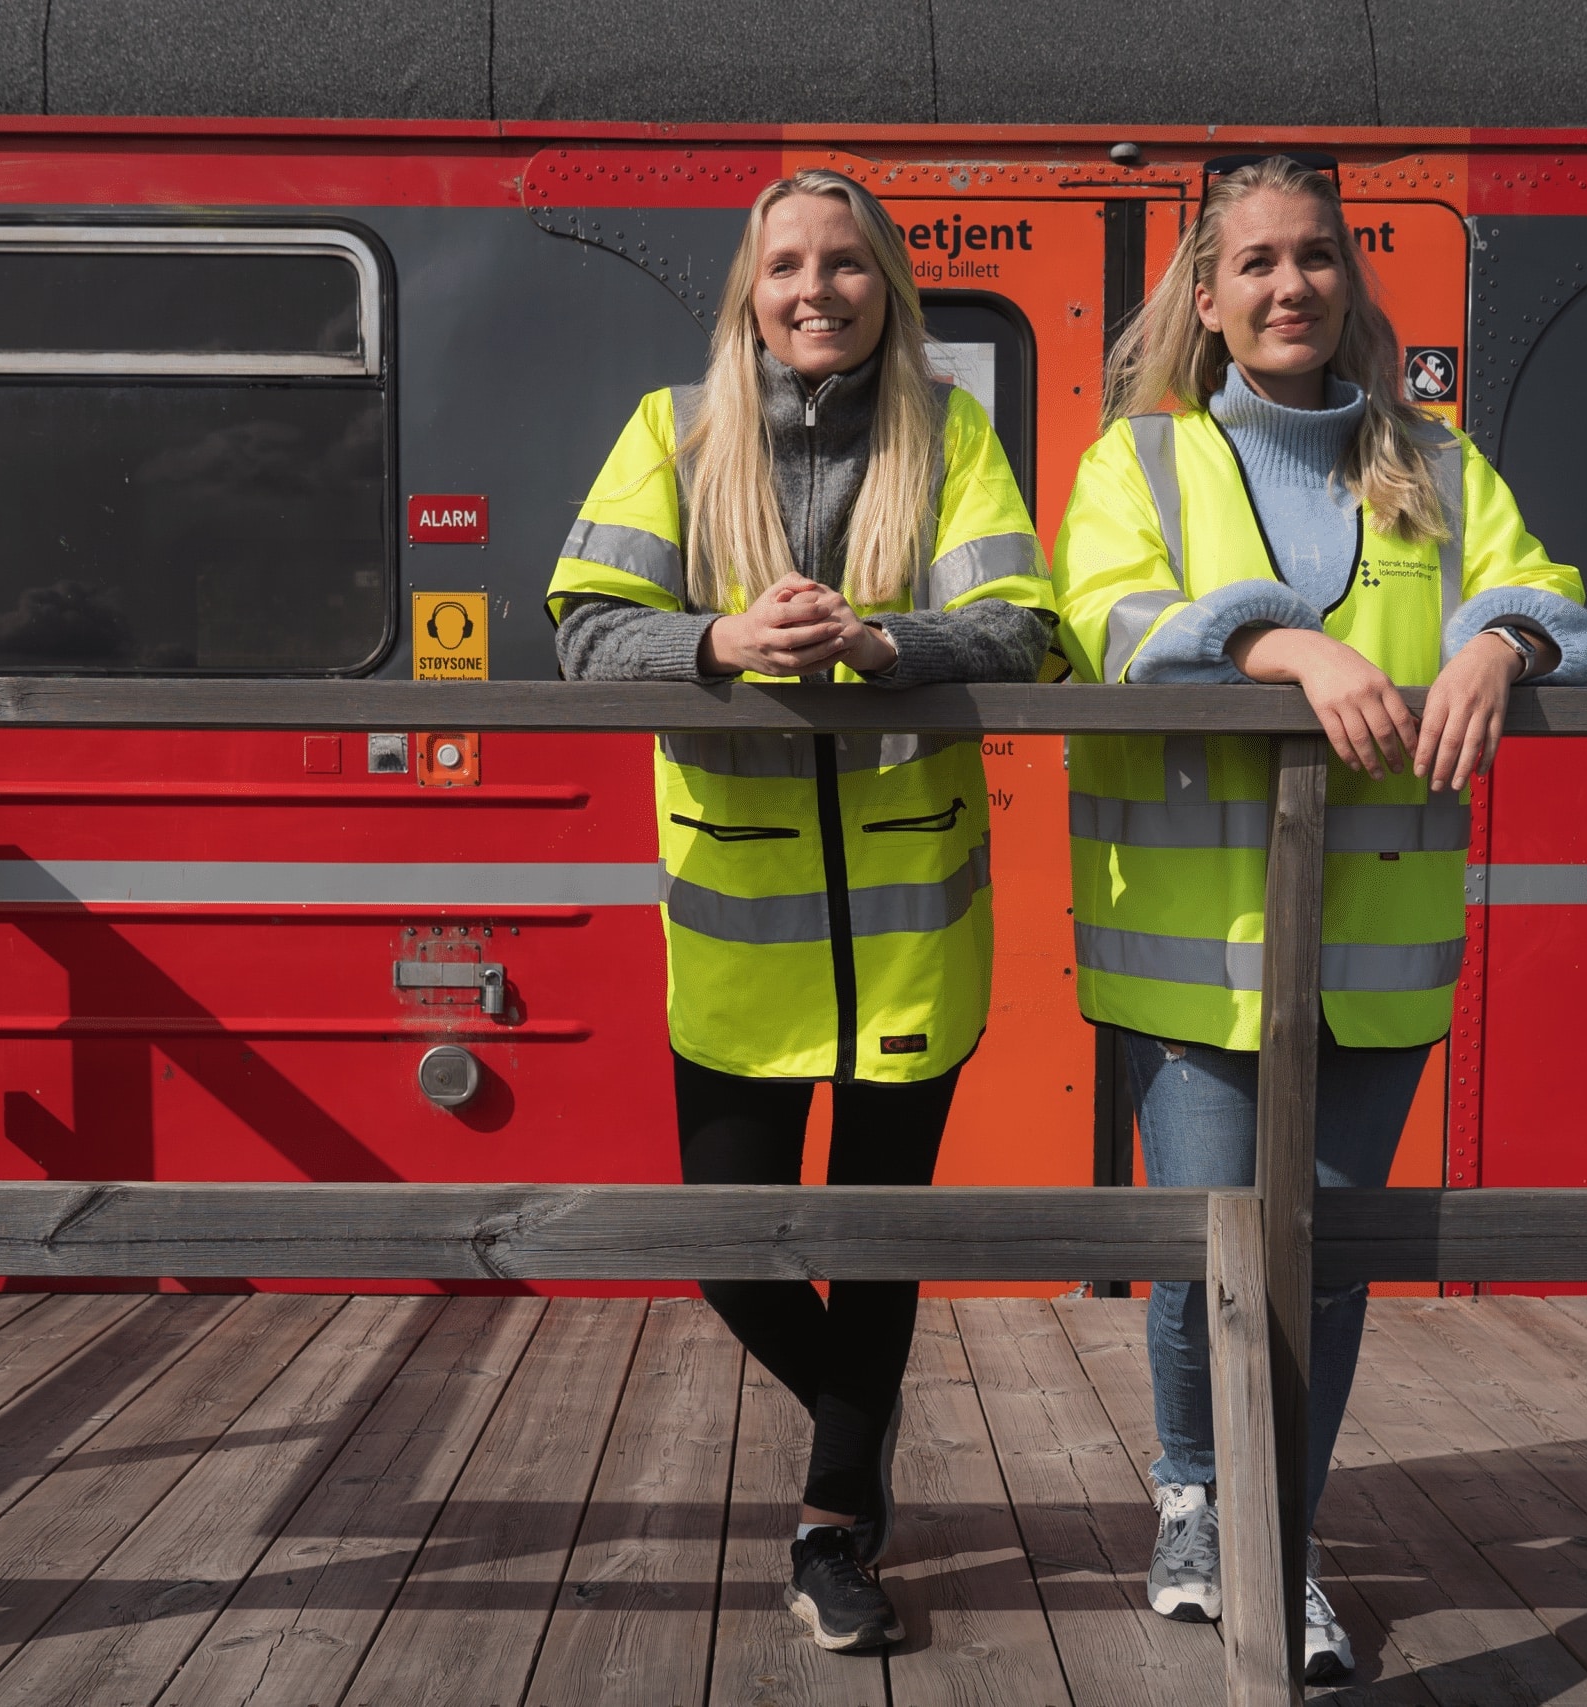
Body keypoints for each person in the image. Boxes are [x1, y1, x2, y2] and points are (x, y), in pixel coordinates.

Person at [1052, 155, 1587, 1683]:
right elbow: (1104, 619)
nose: (1290, 286)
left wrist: (1501, 642)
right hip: (1189, 942)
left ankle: (1279, 1539)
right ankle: (1200, 1498)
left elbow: (1554, 590)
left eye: (1317, 258)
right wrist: (1286, 643)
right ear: (1208, 297)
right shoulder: (1140, 462)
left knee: (1333, 1257)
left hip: (1373, 945)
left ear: (1348, 282)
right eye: (1257, 264)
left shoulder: (1432, 461)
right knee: (1213, 1251)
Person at [547, 169, 1053, 1656]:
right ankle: (862, 1418)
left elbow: (1030, 626)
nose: (815, 289)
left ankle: (834, 1528)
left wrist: (887, 642)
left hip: (910, 921)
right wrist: (719, 637)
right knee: (732, 1244)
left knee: (879, 1237)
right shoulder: (673, 434)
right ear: (747, 292)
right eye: (786, 267)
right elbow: (582, 626)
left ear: (886, 284)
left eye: (844, 264)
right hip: (736, 920)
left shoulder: (950, 437)